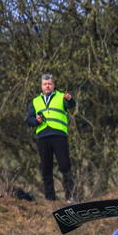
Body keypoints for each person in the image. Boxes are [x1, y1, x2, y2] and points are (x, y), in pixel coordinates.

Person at [28, 73, 74, 202]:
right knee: (46, 168)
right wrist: (36, 121)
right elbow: (29, 120)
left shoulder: (61, 96)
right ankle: (50, 199)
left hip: (59, 135)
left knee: (65, 165)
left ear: (53, 85)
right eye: (45, 84)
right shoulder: (35, 101)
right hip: (43, 136)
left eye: (49, 84)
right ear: (41, 86)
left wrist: (70, 99)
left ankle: (70, 196)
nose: (47, 86)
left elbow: (71, 104)